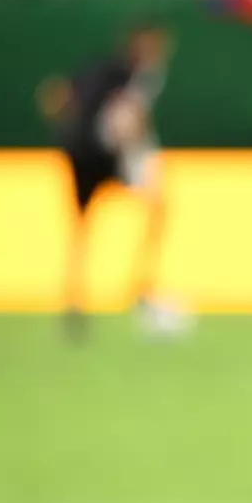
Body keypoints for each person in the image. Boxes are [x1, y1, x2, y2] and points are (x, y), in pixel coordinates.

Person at [37, 22, 184, 341]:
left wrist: (68, 133)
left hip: (77, 153)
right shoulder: (135, 76)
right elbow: (125, 119)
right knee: (158, 205)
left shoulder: (95, 67)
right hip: (107, 156)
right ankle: (140, 286)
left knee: (81, 227)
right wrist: (138, 153)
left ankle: (75, 300)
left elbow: (53, 97)